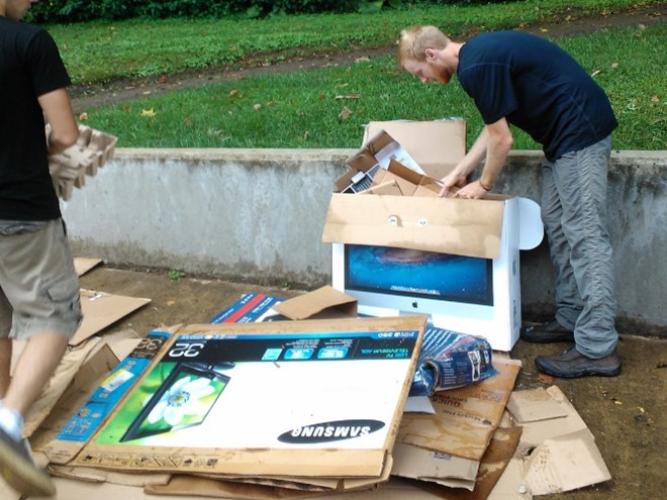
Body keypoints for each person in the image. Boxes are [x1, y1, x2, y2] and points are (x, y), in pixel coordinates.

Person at [398, 25, 621, 379]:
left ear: (430, 55)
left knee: (584, 236)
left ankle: (597, 348)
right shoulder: (479, 58)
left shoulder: (476, 68)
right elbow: (492, 130)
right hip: (562, 141)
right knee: (559, 226)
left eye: (420, 73)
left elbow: (503, 140)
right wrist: (460, 171)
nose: (423, 80)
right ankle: (571, 316)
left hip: (580, 133)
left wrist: (483, 185)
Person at [0, 0, 82, 496]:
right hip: (21, 209)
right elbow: (68, 135)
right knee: (55, 316)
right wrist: (51, 154)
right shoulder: (29, 41)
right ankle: (9, 422)